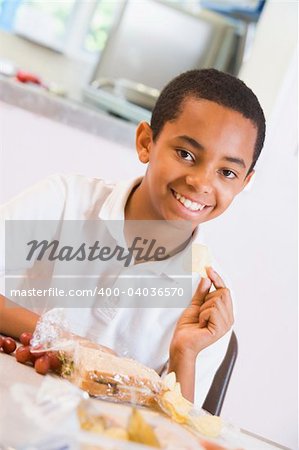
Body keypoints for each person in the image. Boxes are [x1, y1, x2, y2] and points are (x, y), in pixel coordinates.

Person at [0, 69, 265, 406]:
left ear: (244, 182)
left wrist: (184, 354)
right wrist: (70, 345)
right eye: (186, 154)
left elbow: (177, 435)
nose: (200, 183)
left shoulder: (206, 299)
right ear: (146, 143)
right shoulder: (65, 202)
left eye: (227, 172)